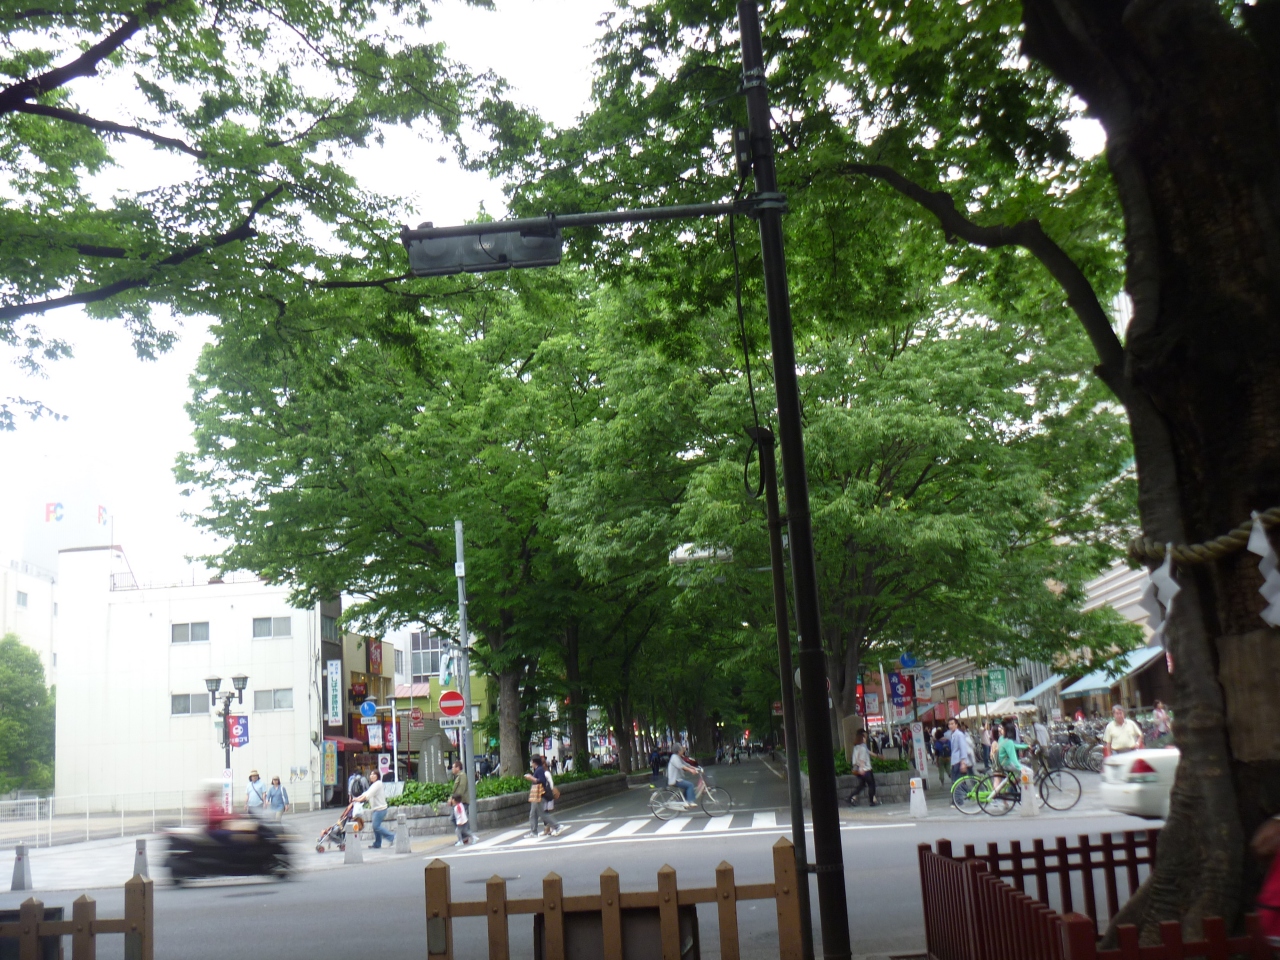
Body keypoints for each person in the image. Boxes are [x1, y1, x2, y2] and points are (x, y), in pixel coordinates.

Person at [353, 771, 396, 849]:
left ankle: (392, 837)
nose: (372, 776)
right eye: (371, 774)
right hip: (377, 809)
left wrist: (358, 800)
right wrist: (356, 798)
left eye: (374, 774)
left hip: (380, 809)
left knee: (376, 826)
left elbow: (368, 795)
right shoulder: (374, 784)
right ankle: (377, 843)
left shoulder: (378, 784)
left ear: (377, 776)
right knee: (376, 826)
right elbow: (366, 793)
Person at [523, 756, 562, 838]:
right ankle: (534, 832)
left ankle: (557, 826)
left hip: (539, 794)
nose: (531, 763)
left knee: (542, 813)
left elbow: (542, 781)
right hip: (536, 795)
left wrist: (531, 778)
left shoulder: (539, 769)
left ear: (534, 762)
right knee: (533, 814)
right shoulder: (538, 769)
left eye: (531, 762)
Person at [991, 720, 1030, 797]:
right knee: (1028, 771)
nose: (1001, 730)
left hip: (1002, 763)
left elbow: (1014, 746)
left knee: (1019, 774)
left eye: (1003, 729)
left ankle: (1012, 786)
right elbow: (1013, 758)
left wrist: (1026, 746)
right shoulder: (1008, 742)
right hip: (1007, 763)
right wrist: (1020, 768)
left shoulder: (1001, 738)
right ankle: (1026, 792)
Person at [846, 730, 881, 806]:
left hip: (858, 769)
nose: (866, 739)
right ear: (862, 738)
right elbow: (862, 759)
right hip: (865, 769)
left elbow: (869, 752)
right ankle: (871, 801)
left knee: (862, 785)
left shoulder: (856, 747)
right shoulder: (862, 747)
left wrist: (878, 756)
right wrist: (862, 768)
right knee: (871, 785)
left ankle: (850, 797)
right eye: (865, 737)